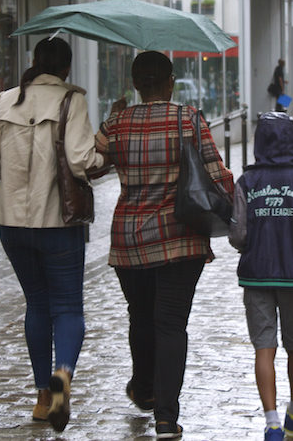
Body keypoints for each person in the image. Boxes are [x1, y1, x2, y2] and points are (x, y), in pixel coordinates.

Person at [96, 51, 234, 440]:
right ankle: (166, 418)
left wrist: (111, 119)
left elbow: (90, 166)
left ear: (137, 84)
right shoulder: (186, 118)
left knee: (139, 317)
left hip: (130, 240)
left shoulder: (118, 121)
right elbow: (215, 172)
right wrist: (234, 213)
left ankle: (143, 387)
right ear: (170, 82)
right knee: (171, 325)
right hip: (179, 238)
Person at [0, 37, 106, 433]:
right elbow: (82, 161)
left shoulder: (5, 101)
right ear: (65, 68)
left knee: (36, 304)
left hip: (13, 225)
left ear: (35, 63)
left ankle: (42, 398)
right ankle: (62, 374)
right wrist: (106, 153)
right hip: (58, 225)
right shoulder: (71, 100)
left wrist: (7, 173)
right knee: (67, 307)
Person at [229, 113, 293, 441]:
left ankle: (271, 421)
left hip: (256, 275)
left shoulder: (247, 182)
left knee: (264, 348)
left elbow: (238, 235)